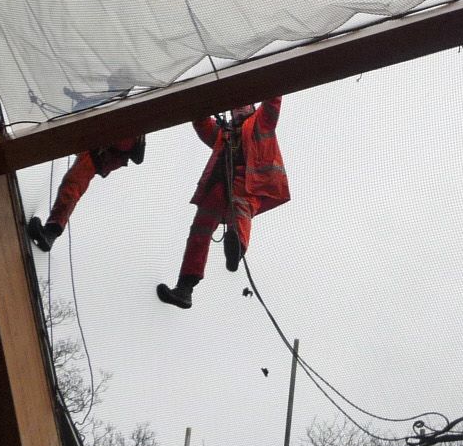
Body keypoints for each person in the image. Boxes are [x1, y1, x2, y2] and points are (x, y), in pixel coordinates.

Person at [158, 97, 288, 309]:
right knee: (199, 230)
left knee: (241, 209)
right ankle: (185, 287)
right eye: (235, 106)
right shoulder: (222, 134)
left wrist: (265, 82)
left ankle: (236, 247)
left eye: (244, 104)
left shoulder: (261, 121)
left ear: (253, 107)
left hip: (248, 185)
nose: (238, 109)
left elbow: (273, 102)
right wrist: (210, 96)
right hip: (218, 187)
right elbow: (200, 122)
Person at [26, 134, 146, 252]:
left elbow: (129, 148)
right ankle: (51, 231)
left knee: (72, 186)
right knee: (72, 184)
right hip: (96, 150)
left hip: (97, 153)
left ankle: (51, 232)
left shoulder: (129, 132)